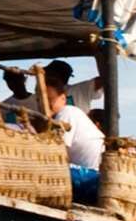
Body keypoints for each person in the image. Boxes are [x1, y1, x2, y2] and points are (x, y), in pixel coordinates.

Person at [38, 61, 106, 203]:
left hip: (90, 177)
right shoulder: (65, 113)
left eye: (50, 100)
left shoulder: (66, 112)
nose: (44, 105)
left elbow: (56, 154)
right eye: (40, 100)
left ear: (63, 98)